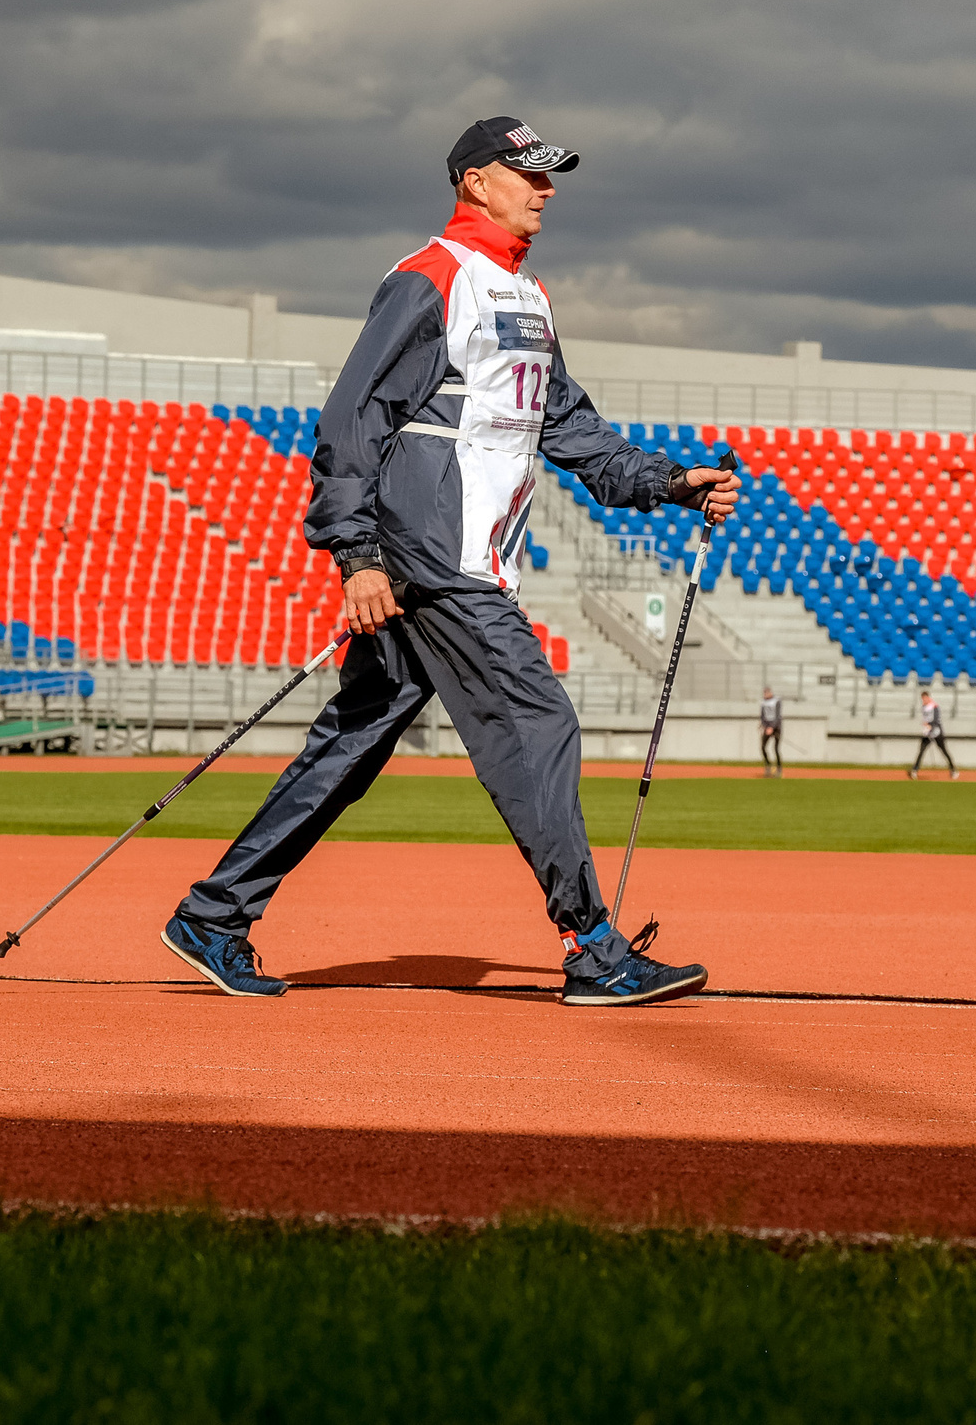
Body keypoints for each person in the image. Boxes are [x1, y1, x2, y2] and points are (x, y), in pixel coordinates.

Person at [161, 116, 741, 1007]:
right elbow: (350, 422)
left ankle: (215, 915)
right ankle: (591, 948)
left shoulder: (530, 297)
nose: (546, 190)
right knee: (538, 725)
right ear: (474, 181)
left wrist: (672, 481)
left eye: (551, 178)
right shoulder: (428, 279)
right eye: (528, 175)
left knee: (352, 744)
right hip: (434, 561)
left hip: (455, 561)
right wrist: (356, 557)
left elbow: (572, 430)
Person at [907, 691, 957, 779]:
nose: (923, 700)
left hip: (937, 732)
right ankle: (915, 770)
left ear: (928, 697)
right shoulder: (924, 707)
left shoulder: (934, 706)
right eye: (922, 699)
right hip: (928, 733)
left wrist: (930, 725)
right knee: (921, 750)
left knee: (944, 751)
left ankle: (953, 770)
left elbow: (937, 720)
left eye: (924, 698)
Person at [757, 686, 783, 778]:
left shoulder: (777, 701)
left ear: (770, 692)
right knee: (763, 747)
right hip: (767, 727)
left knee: (775, 748)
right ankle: (768, 765)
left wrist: (772, 727)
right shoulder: (763, 702)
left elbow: (778, 715)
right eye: (764, 693)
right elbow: (762, 716)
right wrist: (764, 725)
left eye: (766, 692)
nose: (765, 694)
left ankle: (779, 768)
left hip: (776, 728)